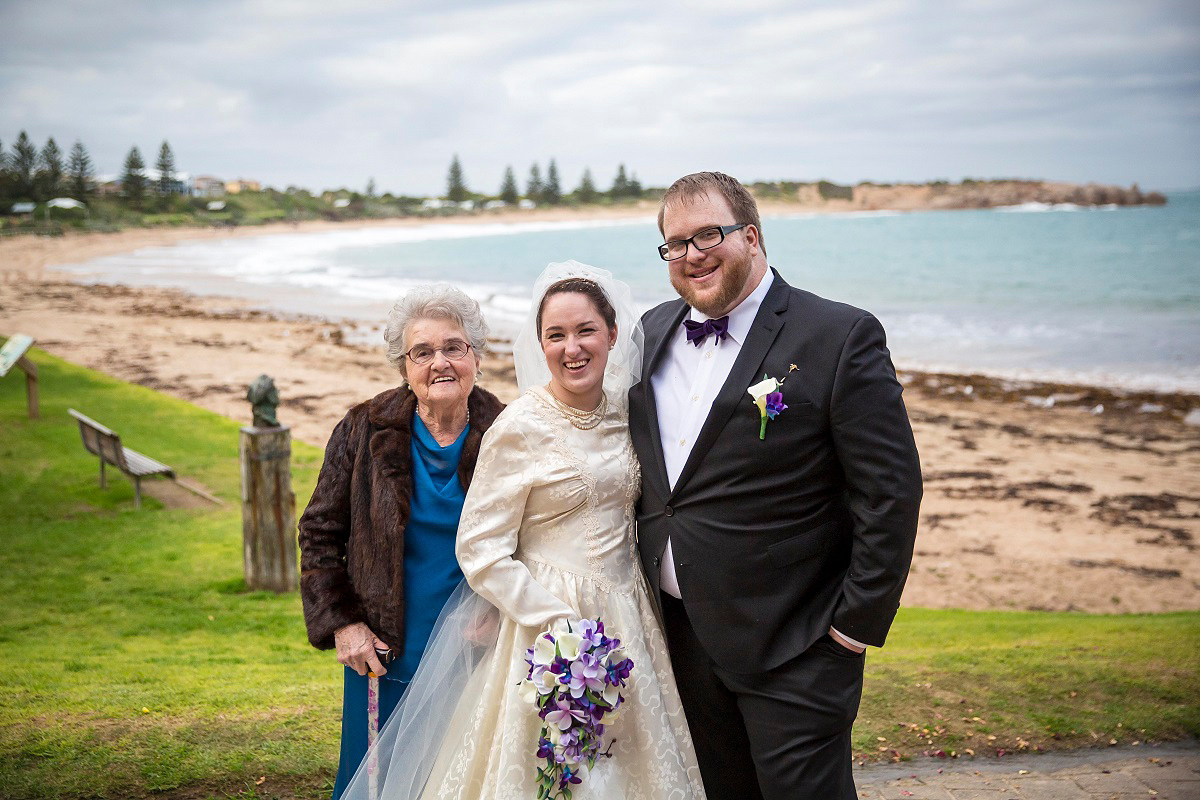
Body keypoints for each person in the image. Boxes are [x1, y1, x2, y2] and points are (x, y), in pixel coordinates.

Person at [341, 261, 705, 799]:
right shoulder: (519, 426)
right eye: (555, 335)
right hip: (549, 627)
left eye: (585, 331)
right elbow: (481, 547)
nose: (571, 347)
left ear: (612, 334)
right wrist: (557, 622)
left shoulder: (628, 415)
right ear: (539, 345)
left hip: (630, 616)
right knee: (554, 774)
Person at [628, 171, 923, 799]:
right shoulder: (649, 332)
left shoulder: (838, 335)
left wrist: (852, 630)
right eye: (674, 244)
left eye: (707, 235)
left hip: (797, 648)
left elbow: (890, 492)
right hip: (682, 639)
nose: (690, 255)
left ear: (752, 237)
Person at [297, 285, 505, 800]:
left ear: (476, 355)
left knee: (461, 782)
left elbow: (536, 539)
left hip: (475, 650)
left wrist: (502, 612)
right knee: (376, 785)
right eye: (422, 351)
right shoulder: (363, 428)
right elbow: (319, 533)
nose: (440, 362)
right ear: (403, 365)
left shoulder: (509, 430)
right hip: (383, 651)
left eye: (454, 347)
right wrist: (343, 624)